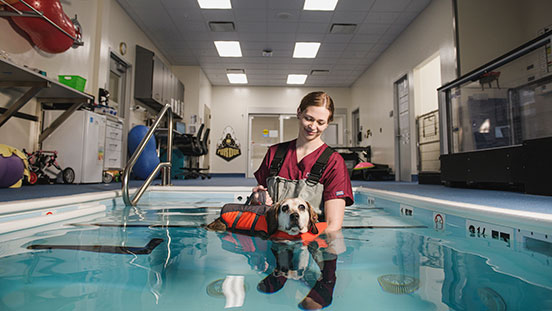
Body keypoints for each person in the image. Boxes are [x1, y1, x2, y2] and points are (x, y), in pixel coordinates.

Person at [252, 91, 354, 232]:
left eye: (320, 122)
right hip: (274, 240)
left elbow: (333, 225)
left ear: (327, 123)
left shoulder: (334, 162)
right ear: (299, 113)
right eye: (308, 118)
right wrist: (257, 197)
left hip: (313, 243)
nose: (312, 126)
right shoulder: (275, 153)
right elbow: (257, 203)